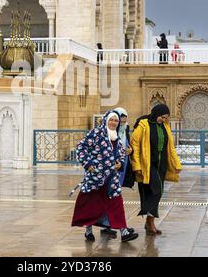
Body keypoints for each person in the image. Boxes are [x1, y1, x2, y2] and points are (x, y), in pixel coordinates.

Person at [71, 110, 139, 243]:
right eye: (111, 120)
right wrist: (88, 164)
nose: (113, 123)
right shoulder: (96, 133)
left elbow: (119, 154)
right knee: (91, 204)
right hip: (95, 178)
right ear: (106, 120)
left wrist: (120, 163)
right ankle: (88, 230)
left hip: (111, 179)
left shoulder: (116, 137)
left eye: (116, 121)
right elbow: (81, 147)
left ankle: (124, 232)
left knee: (116, 203)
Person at [131, 104, 182, 236]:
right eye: (162, 117)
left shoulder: (165, 126)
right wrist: (136, 165)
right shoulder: (143, 125)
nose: (164, 120)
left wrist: (176, 164)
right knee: (157, 190)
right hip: (148, 164)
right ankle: (147, 213)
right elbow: (135, 145)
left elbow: (170, 147)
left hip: (162, 164)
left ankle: (150, 221)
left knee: (155, 191)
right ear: (156, 114)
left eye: (166, 118)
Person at [114, 107, 135, 188]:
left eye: (124, 121)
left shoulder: (125, 129)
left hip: (123, 161)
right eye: (120, 121)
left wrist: (131, 150)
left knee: (118, 184)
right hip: (112, 162)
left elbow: (128, 144)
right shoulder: (109, 131)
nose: (122, 123)